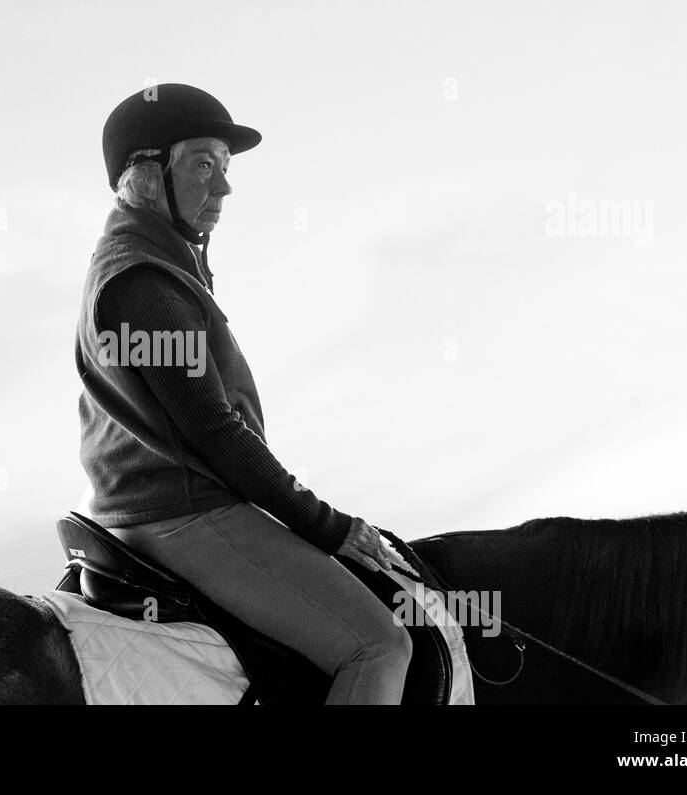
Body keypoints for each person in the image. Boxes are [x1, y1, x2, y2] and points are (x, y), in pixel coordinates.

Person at [74, 83, 412, 704]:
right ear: (147, 174)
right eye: (203, 163)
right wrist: (327, 525)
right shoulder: (145, 282)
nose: (224, 188)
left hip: (149, 510)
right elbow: (216, 432)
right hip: (185, 512)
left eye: (225, 169)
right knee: (382, 644)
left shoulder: (145, 264)